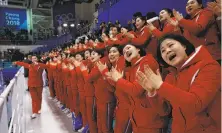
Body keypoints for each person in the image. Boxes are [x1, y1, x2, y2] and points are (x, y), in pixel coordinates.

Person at [136, 34, 221, 133]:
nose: (167, 51)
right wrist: (152, 93)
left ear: (184, 46)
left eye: (171, 45)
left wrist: (161, 86)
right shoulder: (170, 77)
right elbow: (164, 110)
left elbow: (196, 104)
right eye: (163, 51)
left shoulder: (208, 66)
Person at [106, 44, 170, 133]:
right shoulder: (131, 68)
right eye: (124, 52)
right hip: (138, 120)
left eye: (128, 48)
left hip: (152, 122)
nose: (126, 51)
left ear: (138, 49)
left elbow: (136, 90)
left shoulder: (147, 61)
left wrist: (118, 80)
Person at [96, 45, 132, 133]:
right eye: (110, 52)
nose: (111, 54)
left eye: (114, 51)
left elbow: (118, 83)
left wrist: (104, 72)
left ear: (120, 54)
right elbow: (113, 88)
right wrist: (105, 75)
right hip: (120, 104)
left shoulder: (122, 61)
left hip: (128, 105)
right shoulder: (114, 67)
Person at [14, 55, 48, 119]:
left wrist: (38, 64)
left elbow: (46, 66)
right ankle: (34, 112)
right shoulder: (30, 65)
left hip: (39, 84)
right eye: (32, 58)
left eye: (35, 58)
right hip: (31, 85)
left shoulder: (40, 65)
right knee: (34, 99)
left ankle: (38, 109)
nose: (34, 59)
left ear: (37, 59)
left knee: (39, 97)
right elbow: (23, 64)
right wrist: (17, 62)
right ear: (31, 60)